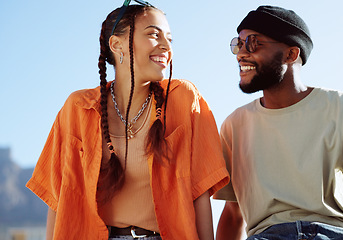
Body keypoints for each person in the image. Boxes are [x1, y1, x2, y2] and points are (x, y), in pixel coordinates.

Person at [26, 1, 229, 239]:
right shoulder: (77, 108)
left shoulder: (183, 98)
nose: (166, 46)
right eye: (154, 34)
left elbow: (199, 193)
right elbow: (59, 199)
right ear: (116, 44)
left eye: (170, 39)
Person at [214, 5, 343, 240]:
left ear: (291, 54)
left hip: (337, 234)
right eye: (238, 44)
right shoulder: (232, 126)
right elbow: (233, 214)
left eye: (253, 43)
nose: (241, 53)